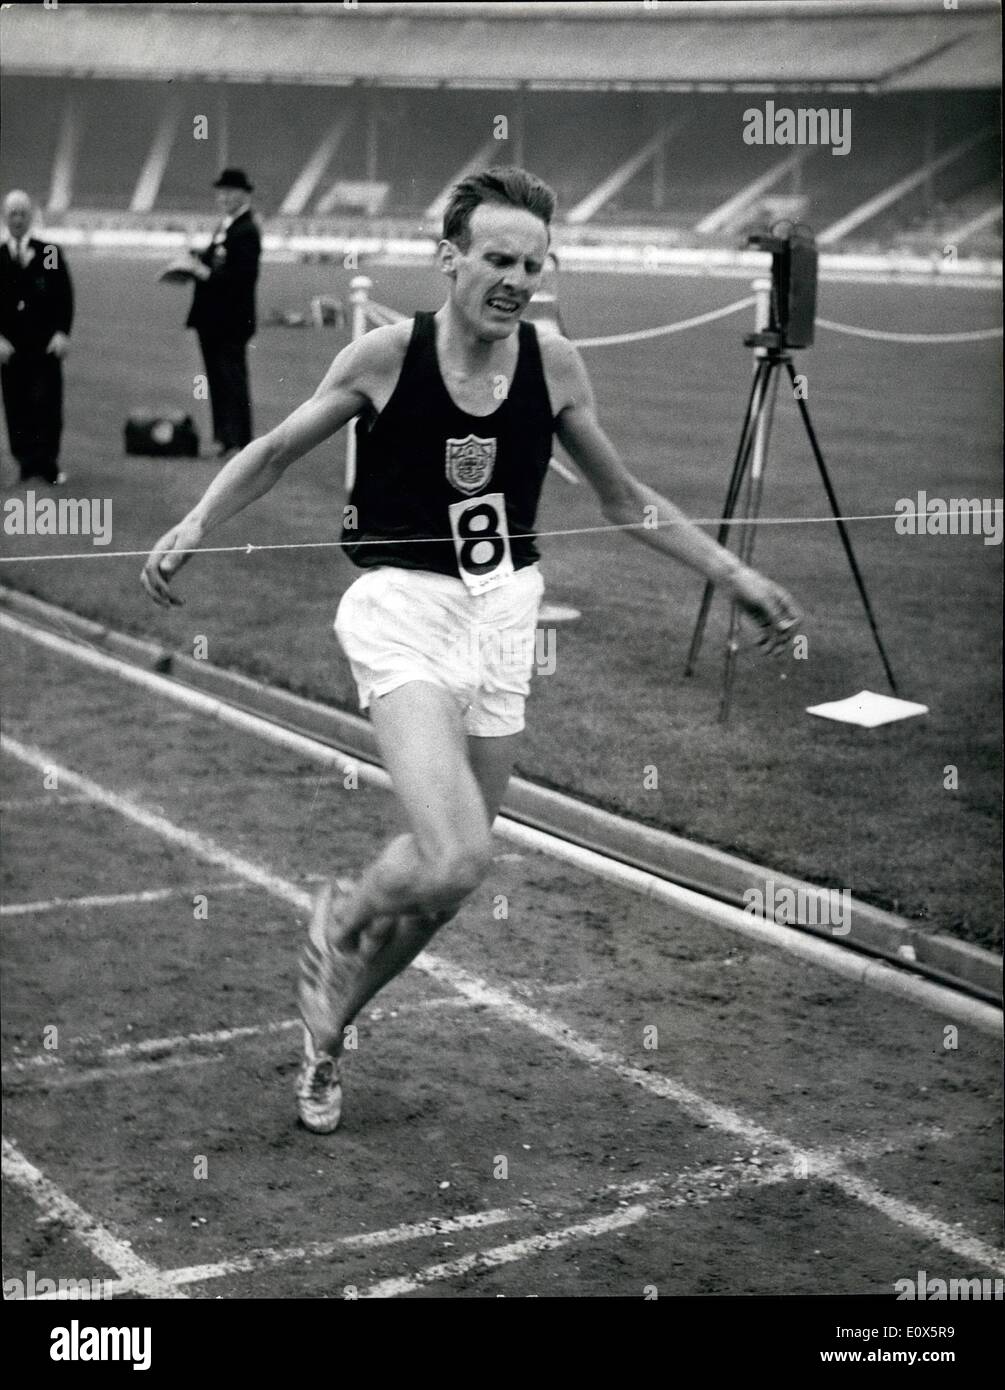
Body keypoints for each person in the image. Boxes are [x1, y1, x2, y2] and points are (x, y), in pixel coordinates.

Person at [141, 166, 799, 1135]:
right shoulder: (385, 353)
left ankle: (326, 1040)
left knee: (443, 893)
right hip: (399, 609)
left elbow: (625, 499)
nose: (516, 277)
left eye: (533, 262)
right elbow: (278, 447)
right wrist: (197, 517)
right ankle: (339, 909)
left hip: (503, 619)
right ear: (448, 258)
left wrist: (731, 573)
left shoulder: (555, 363)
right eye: (497, 257)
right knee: (456, 857)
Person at [185, 168, 261, 462]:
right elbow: (216, 261)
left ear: (245, 194)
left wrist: (204, 272)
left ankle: (238, 440)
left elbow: (244, 277)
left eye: (230, 191)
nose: (224, 197)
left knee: (231, 379)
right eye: (221, 192)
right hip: (213, 318)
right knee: (218, 379)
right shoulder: (227, 226)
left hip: (230, 320)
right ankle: (226, 439)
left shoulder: (246, 230)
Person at [0, 190, 74, 485]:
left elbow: (62, 295)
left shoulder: (49, 253)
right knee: (16, 406)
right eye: (12, 213)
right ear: (5, 217)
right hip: (10, 348)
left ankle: (48, 466)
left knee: (47, 405)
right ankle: (25, 465)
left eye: (23, 213)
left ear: (31, 217)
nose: (18, 219)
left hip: (45, 345)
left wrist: (62, 332)